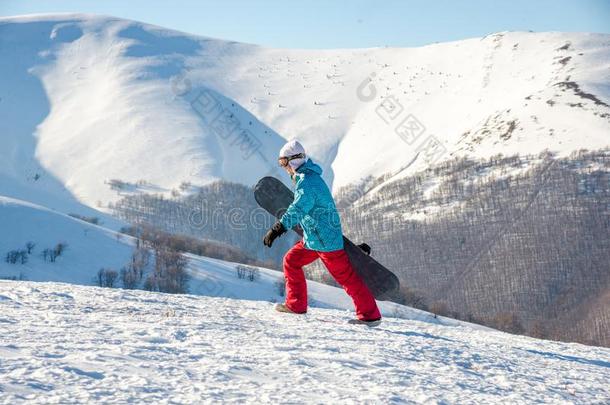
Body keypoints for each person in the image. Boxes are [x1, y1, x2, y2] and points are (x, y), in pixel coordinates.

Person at [263, 140, 382, 326]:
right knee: (291, 260)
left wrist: (277, 229)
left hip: (325, 242)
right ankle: (295, 305)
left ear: (293, 161)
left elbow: (298, 209)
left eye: (283, 163)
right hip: (313, 239)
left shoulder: (308, 183)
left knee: (348, 279)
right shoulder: (307, 178)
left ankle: (370, 316)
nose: (283, 168)